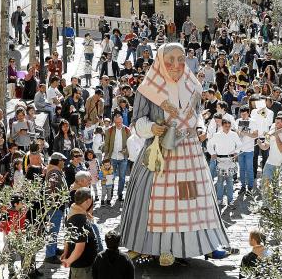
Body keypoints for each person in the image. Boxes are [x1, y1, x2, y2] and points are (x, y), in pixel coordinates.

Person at [120, 43, 229, 266]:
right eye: (170, 59)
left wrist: (199, 127)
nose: (177, 65)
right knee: (155, 202)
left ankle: (203, 245)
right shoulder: (147, 89)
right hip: (160, 152)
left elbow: (197, 114)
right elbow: (137, 121)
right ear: (160, 60)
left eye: (181, 59)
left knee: (195, 201)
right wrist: (151, 128)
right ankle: (148, 246)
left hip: (190, 153)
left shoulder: (193, 85)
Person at [61, 187, 98, 279]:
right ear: (88, 200)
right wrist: (68, 261)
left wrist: (65, 252)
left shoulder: (72, 210)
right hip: (82, 265)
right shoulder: (80, 219)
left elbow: (67, 236)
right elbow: (79, 247)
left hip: (79, 263)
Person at [207, 118, 242, 206]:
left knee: (230, 181)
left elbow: (239, 145)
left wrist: (236, 152)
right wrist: (213, 153)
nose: (228, 127)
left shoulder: (234, 134)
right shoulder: (216, 135)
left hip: (230, 159)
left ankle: (230, 200)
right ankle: (219, 199)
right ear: (222, 126)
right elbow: (209, 145)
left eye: (229, 126)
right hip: (220, 160)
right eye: (226, 126)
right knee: (219, 181)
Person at [44, 152, 68, 265]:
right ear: (58, 161)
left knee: (55, 230)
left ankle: (53, 249)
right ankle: (50, 255)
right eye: (63, 160)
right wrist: (57, 201)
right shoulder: (54, 172)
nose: (64, 162)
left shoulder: (54, 170)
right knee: (53, 231)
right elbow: (52, 189)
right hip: (54, 207)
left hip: (56, 206)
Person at [259, 114, 282, 184]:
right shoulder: (273, 127)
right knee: (265, 186)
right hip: (270, 162)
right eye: (275, 122)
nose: (275, 125)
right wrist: (260, 144)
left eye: (278, 123)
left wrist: (276, 136)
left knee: (280, 190)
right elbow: (265, 146)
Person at [103, 114, 130, 202]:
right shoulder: (110, 130)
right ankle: (109, 195)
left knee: (122, 178)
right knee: (110, 177)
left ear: (122, 121)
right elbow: (106, 144)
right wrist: (106, 155)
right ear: (114, 122)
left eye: (120, 122)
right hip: (112, 157)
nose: (118, 124)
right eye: (117, 122)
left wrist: (126, 150)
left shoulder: (127, 130)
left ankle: (120, 194)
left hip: (123, 158)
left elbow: (130, 143)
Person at [236, 106, 258, 195]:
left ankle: (250, 187)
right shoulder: (238, 121)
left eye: (244, 114)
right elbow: (235, 134)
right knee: (241, 169)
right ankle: (243, 186)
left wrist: (245, 133)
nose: (243, 116)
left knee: (249, 169)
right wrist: (239, 132)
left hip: (249, 149)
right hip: (240, 149)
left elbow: (255, 135)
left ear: (248, 113)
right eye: (241, 114)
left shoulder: (253, 122)